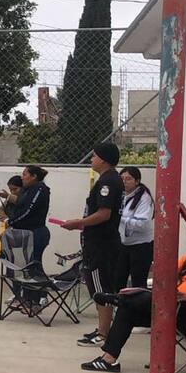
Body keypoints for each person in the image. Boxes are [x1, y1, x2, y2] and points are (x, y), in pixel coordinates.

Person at [82, 226, 186, 373]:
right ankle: (108, 359)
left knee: (138, 301)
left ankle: (118, 299)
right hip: (170, 306)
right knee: (128, 309)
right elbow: (164, 278)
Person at [60, 142, 123, 348]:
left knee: (101, 287)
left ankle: (104, 334)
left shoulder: (108, 182)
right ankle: (101, 329)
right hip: (99, 242)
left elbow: (104, 214)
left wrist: (79, 223)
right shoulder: (108, 180)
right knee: (98, 286)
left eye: (94, 156)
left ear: (103, 159)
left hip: (101, 244)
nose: (91, 159)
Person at [1, 165, 52, 313]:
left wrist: (12, 222)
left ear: (34, 176)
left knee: (34, 265)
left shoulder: (40, 190)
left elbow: (28, 211)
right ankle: (27, 298)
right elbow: (18, 207)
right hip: (23, 233)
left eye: (25, 174)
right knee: (25, 267)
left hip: (35, 233)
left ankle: (40, 298)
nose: (22, 177)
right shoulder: (27, 190)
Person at [116, 166, 154, 290]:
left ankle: (137, 309)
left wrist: (119, 219)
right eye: (122, 179)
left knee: (138, 282)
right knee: (118, 278)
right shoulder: (121, 195)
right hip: (123, 244)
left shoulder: (144, 198)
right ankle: (120, 307)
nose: (124, 182)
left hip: (141, 246)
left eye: (128, 179)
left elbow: (142, 224)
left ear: (137, 181)